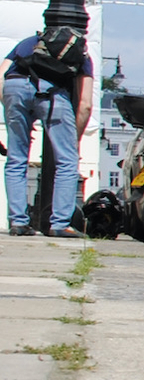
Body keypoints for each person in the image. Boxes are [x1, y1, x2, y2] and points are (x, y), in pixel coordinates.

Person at [4, 26, 96, 237]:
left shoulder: (29, 42)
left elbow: (2, 74)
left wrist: (14, 117)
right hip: (52, 94)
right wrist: (75, 139)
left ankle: (18, 222)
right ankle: (60, 224)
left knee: (16, 157)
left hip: (14, 87)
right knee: (67, 160)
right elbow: (85, 105)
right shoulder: (82, 55)